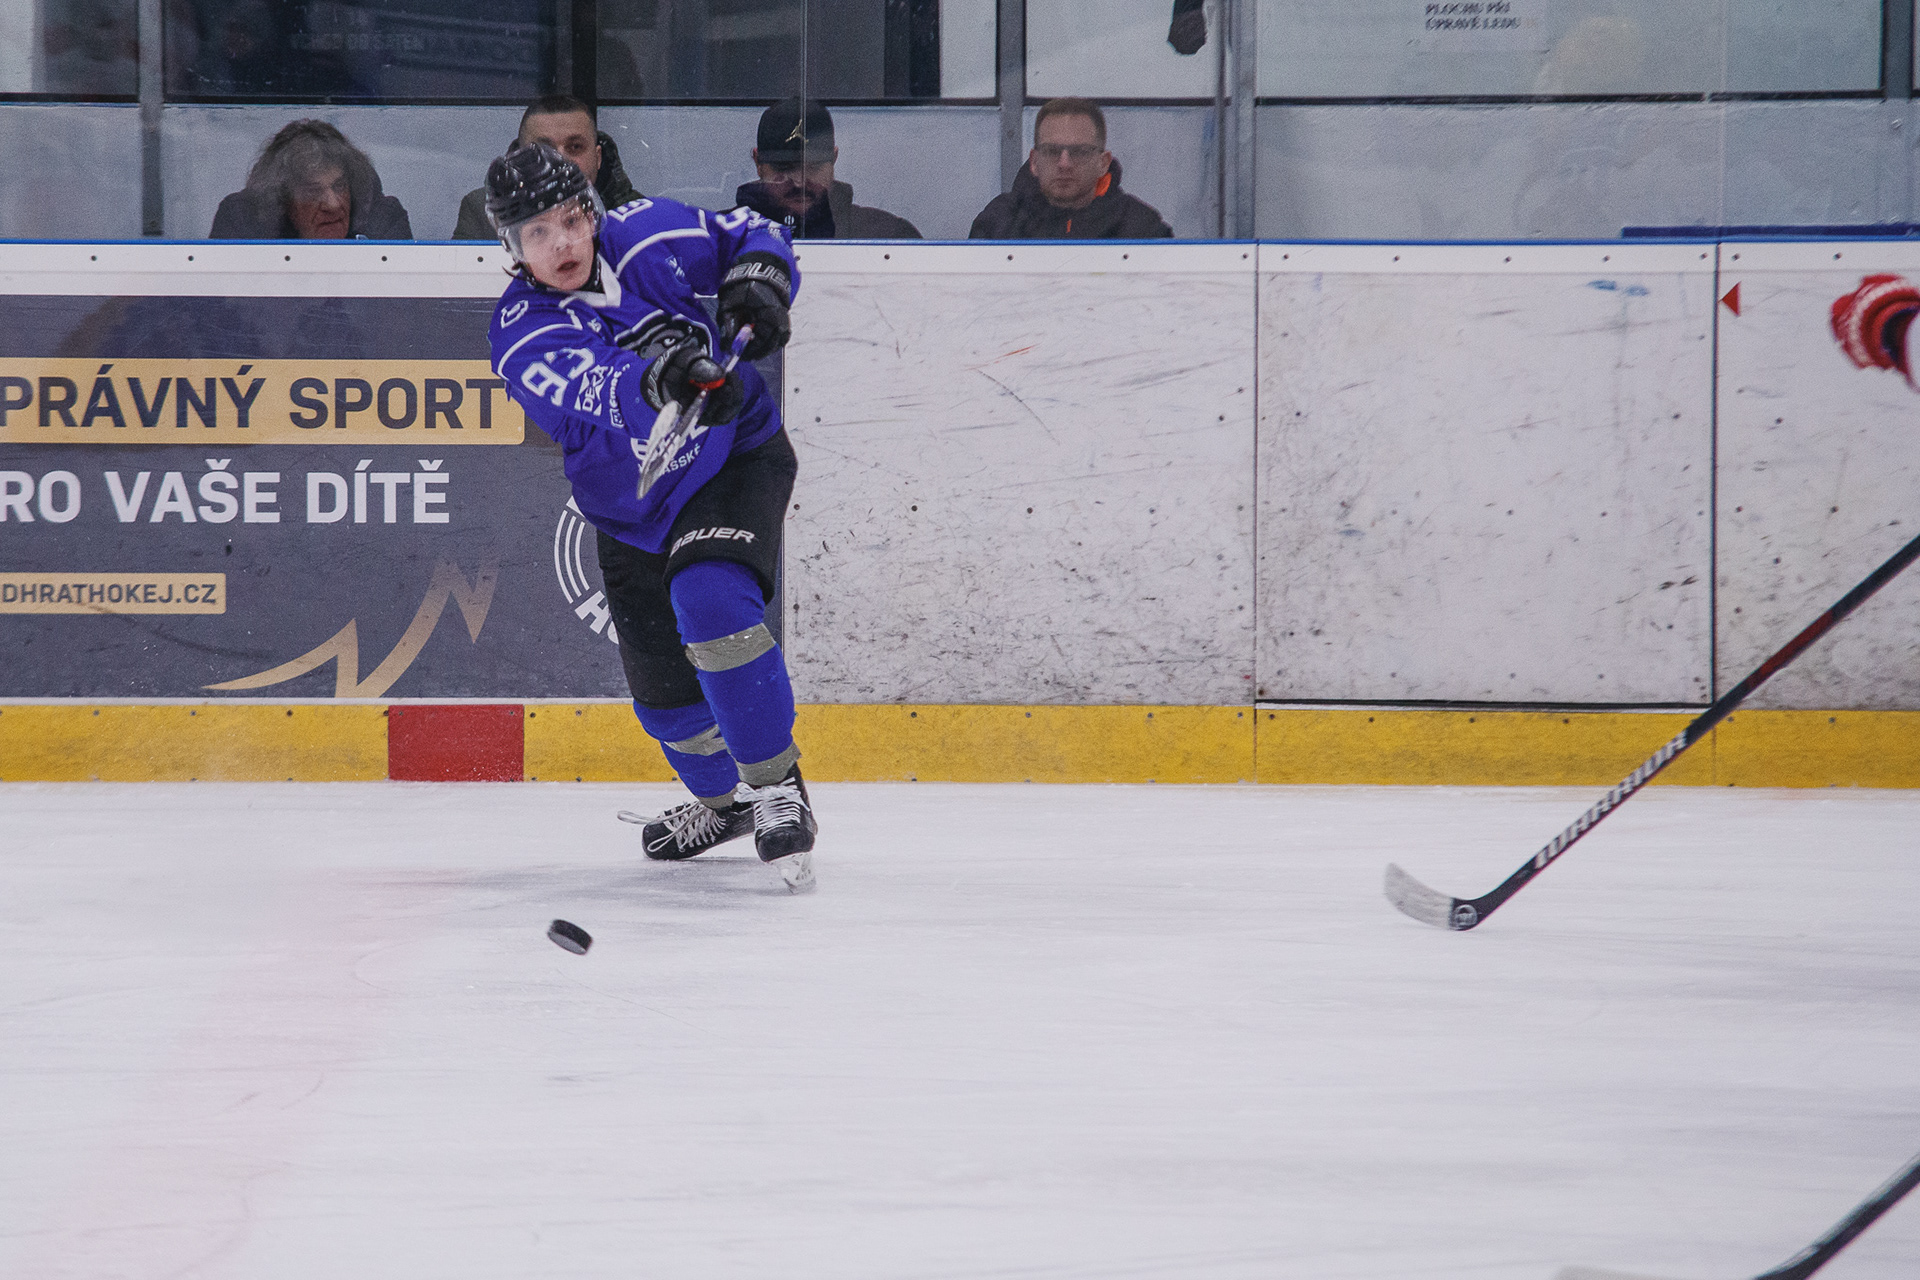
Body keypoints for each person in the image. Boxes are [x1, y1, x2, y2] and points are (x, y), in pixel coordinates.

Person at [483, 142, 818, 890]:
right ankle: (723, 805)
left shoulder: (649, 232)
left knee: (711, 601)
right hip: (632, 513)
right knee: (669, 709)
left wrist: (760, 282)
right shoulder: (520, 332)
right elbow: (603, 385)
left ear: (593, 210)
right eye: (537, 232)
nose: (563, 243)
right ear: (511, 247)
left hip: (735, 459)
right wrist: (668, 377)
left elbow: (753, 230)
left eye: (572, 219)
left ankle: (776, 786)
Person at [969, 98, 1173, 240]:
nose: (1064, 163)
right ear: (1034, 161)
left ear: (1103, 163)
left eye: (1080, 152)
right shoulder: (998, 222)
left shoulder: (1142, 227)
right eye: (1052, 151)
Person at [453, 95, 639, 240]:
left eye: (575, 147)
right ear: (519, 157)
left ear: (598, 158)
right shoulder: (482, 213)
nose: (561, 160)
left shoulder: (638, 216)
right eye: (544, 149)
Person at [732, 98, 921, 240]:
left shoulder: (889, 236)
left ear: (834, 158)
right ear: (758, 162)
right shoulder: (723, 238)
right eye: (784, 167)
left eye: (813, 167)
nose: (799, 182)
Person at [210, 120, 412, 240]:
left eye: (339, 186)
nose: (333, 205)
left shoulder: (384, 220)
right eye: (313, 192)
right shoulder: (241, 221)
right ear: (282, 201)